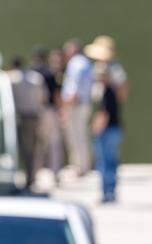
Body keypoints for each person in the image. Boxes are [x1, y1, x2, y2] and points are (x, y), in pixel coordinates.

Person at [85, 37, 124, 202]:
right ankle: (111, 192)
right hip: (115, 125)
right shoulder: (113, 85)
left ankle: (107, 193)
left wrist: (96, 126)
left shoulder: (106, 90)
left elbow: (104, 111)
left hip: (107, 127)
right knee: (111, 160)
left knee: (104, 161)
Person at [7, 55, 45, 189]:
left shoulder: (11, 78)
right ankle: (31, 177)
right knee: (32, 149)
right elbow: (43, 98)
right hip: (34, 116)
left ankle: (18, 177)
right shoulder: (36, 78)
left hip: (18, 116)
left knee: (15, 147)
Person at [60, 39, 94, 176]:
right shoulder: (85, 63)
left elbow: (73, 89)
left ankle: (80, 167)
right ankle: (83, 165)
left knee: (75, 137)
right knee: (81, 135)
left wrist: (65, 108)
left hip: (75, 105)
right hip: (82, 104)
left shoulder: (76, 63)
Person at [32, 47, 63, 177]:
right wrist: (60, 109)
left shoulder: (32, 73)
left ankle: (34, 171)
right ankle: (55, 171)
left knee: (37, 144)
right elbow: (56, 94)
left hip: (36, 111)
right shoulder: (50, 73)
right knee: (54, 142)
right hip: (50, 110)